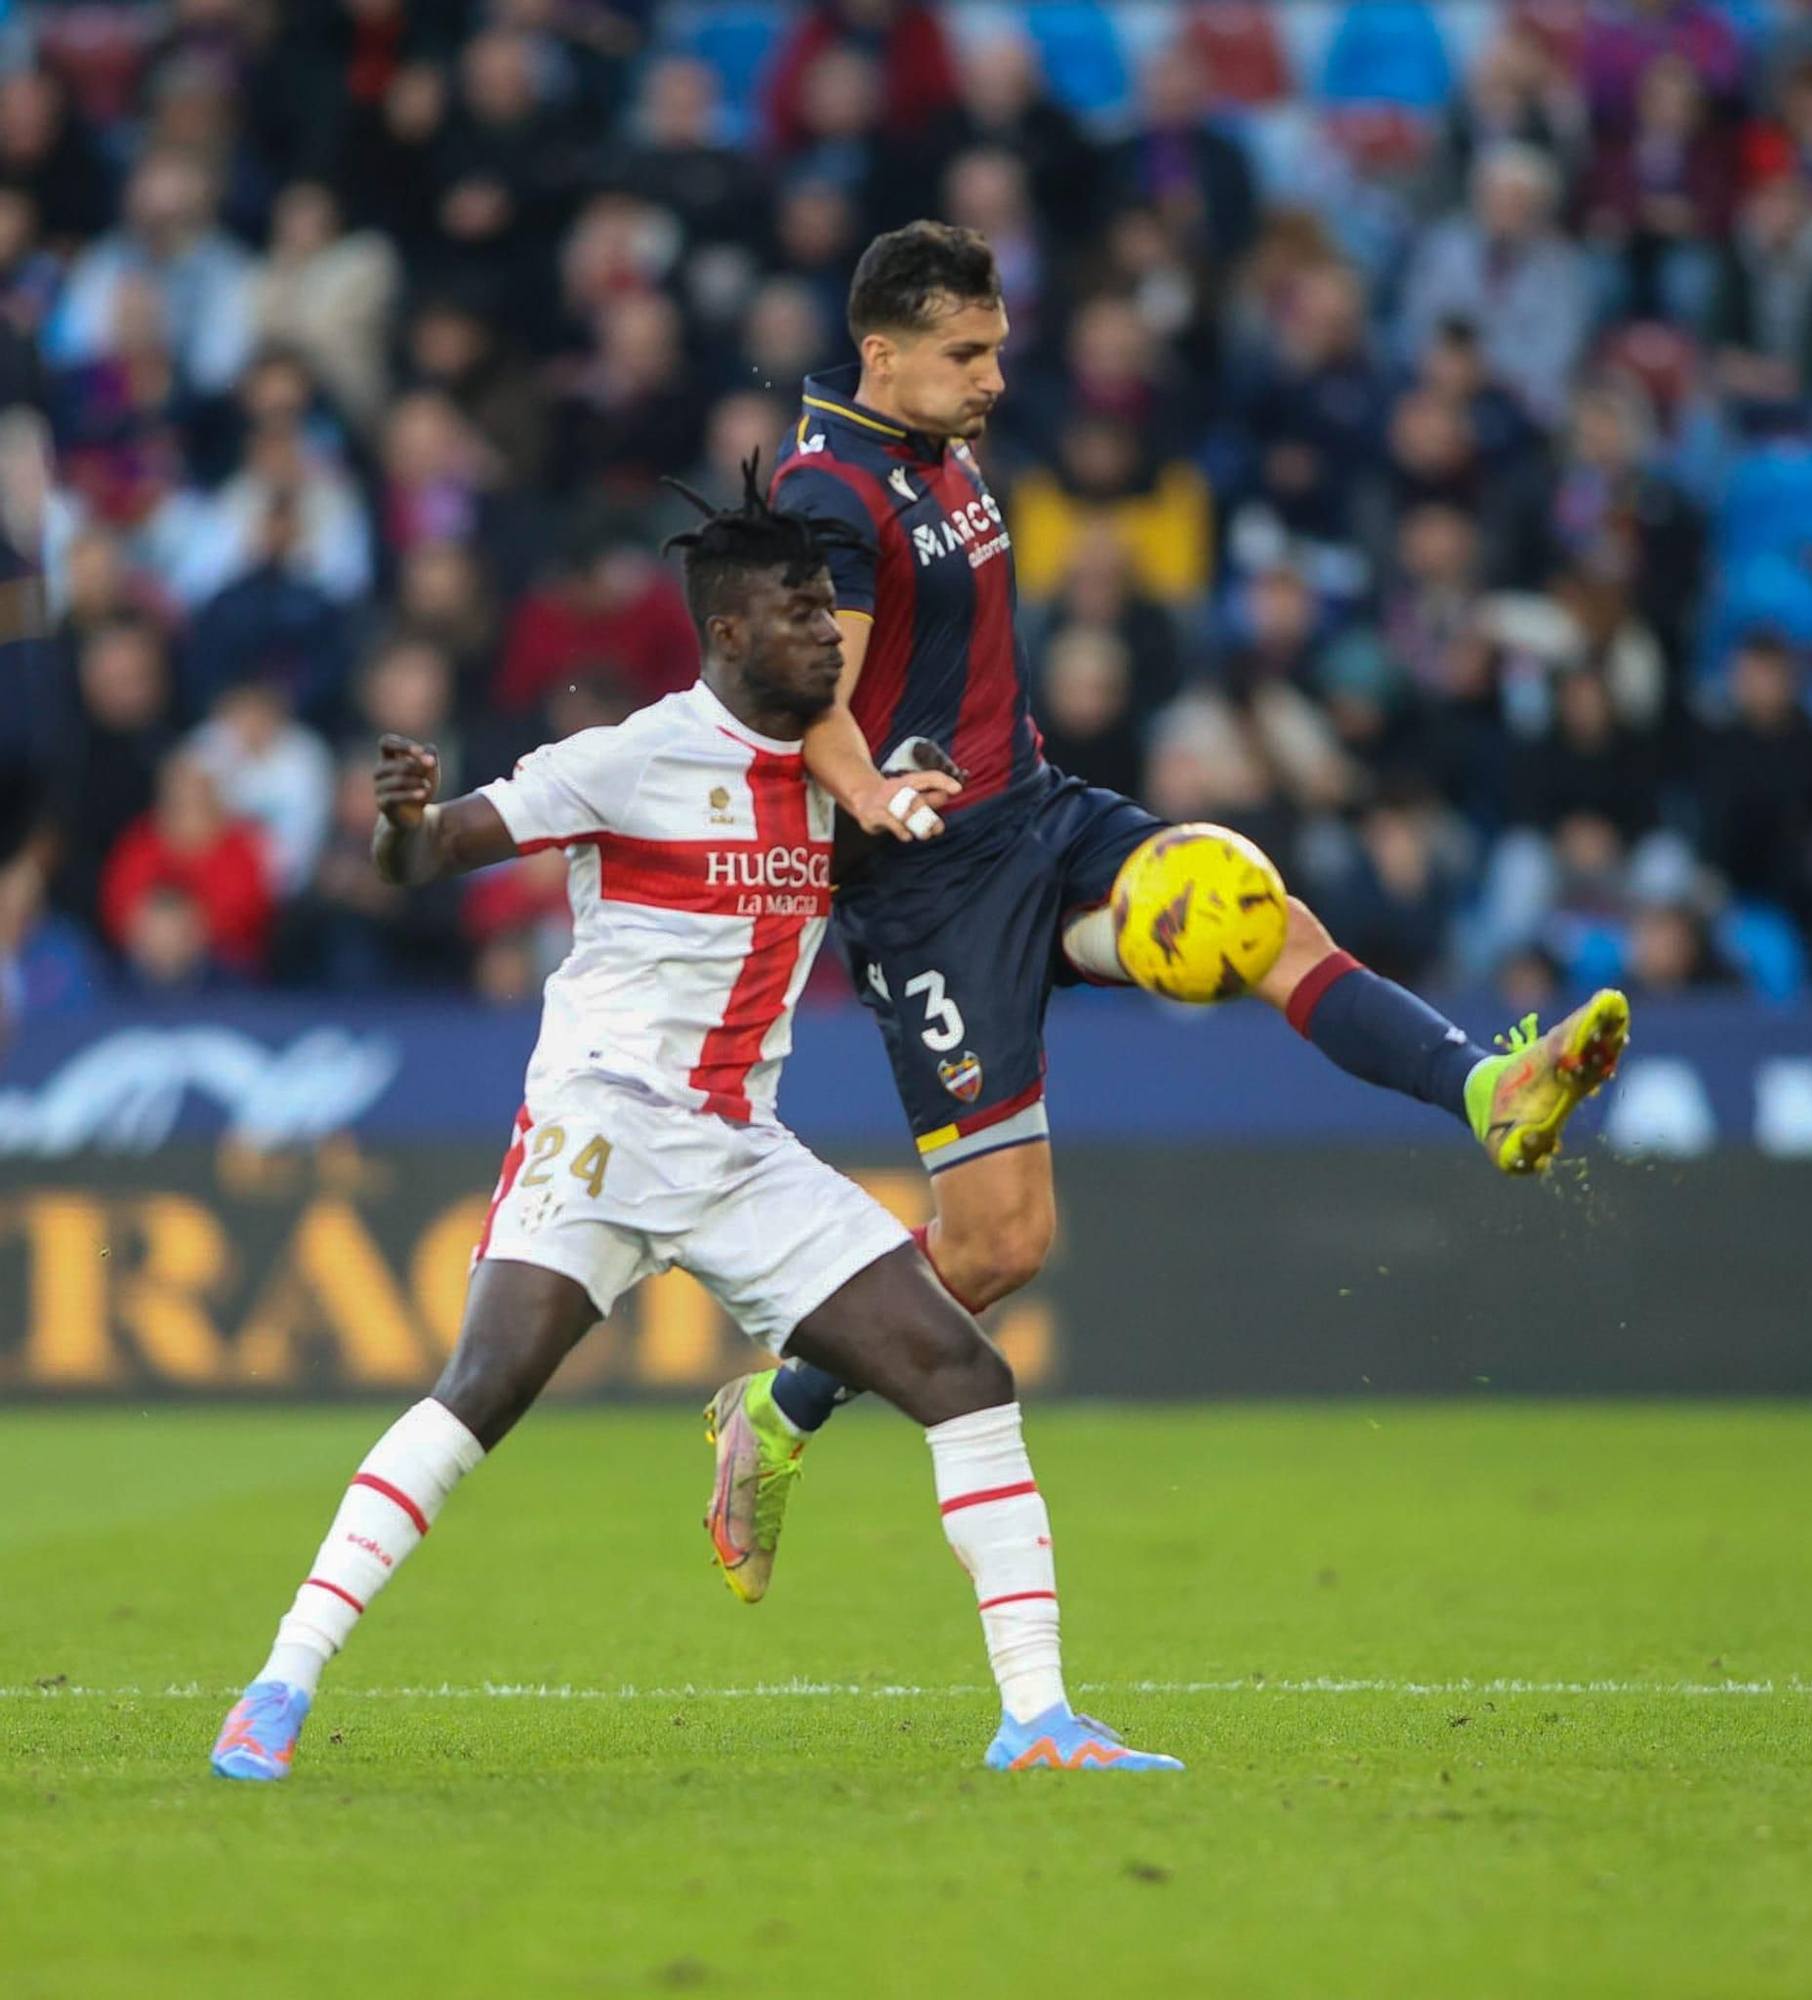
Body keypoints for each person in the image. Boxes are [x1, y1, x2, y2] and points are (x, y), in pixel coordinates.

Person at [708, 222, 1631, 1602]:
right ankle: (771, 1416)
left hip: (1029, 809)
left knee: (1247, 910)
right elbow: (815, 702)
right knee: (999, 1248)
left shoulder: (932, 446)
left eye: (998, 350)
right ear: (882, 351)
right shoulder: (827, 490)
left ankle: (1488, 1088)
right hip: (924, 891)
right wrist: (875, 798)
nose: (993, 379)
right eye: (965, 355)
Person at [209, 469, 1179, 1783]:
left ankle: (1037, 1720)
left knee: (964, 1377)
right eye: (800, 614)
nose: (830, 636)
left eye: (832, 615)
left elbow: (920, 872)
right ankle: (277, 1685)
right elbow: (426, 856)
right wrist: (397, 824)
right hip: (602, 1129)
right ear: (727, 632)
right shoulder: (630, 757)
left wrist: (939, 819)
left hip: (739, 1151)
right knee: (480, 1391)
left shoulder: (837, 782)